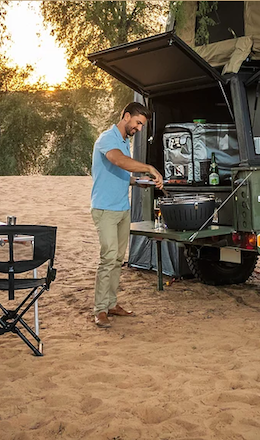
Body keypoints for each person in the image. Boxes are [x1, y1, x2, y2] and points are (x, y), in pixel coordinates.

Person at [91, 102, 164, 328]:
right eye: (138, 123)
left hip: (122, 209)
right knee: (108, 257)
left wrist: (137, 182)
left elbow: (118, 172)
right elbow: (118, 161)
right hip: (105, 210)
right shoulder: (107, 139)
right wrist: (148, 168)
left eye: (142, 125)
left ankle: (111, 303)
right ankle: (100, 310)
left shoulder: (124, 142)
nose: (139, 129)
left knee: (117, 260)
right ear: (126, 116)